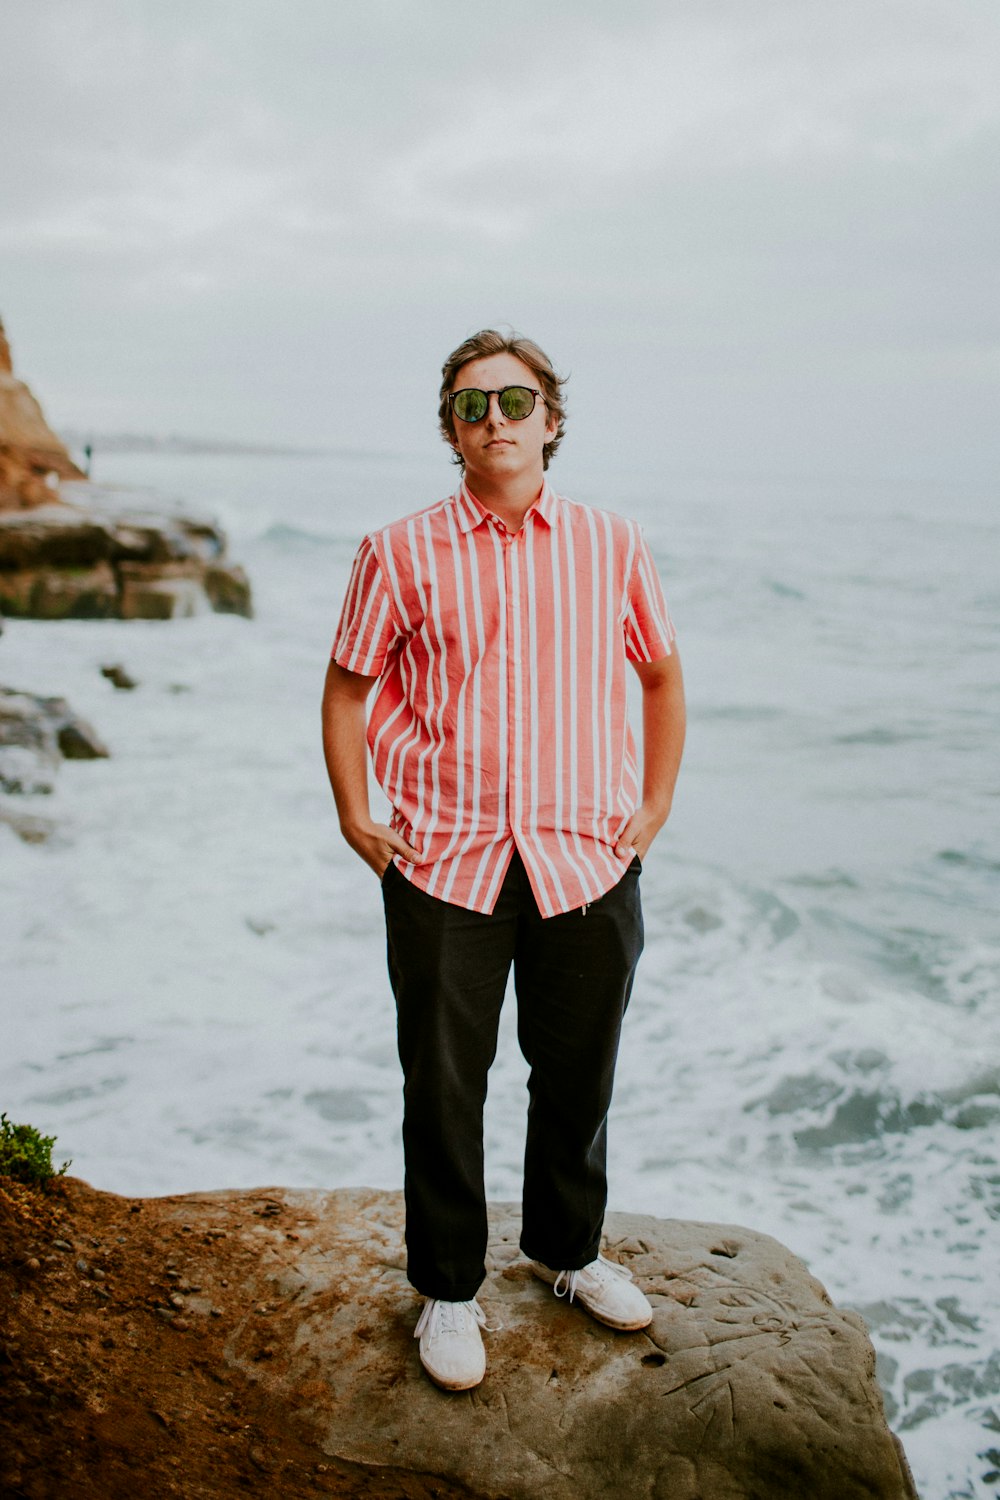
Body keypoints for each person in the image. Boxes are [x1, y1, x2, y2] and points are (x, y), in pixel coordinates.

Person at [321, 329, 685, 1391]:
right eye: (473, 406)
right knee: (443, 1086)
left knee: (577, 1076)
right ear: (450, 429)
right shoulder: (394, 552)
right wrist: (356, 812)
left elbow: (660, 678)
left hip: (585, 858)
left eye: (515, 402)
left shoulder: (612, 543)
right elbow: (347, 689)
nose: (496, 421)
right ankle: (445, 1289)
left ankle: (567, 1254)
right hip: (444, 858)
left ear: (551, 420)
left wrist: (653, 804)